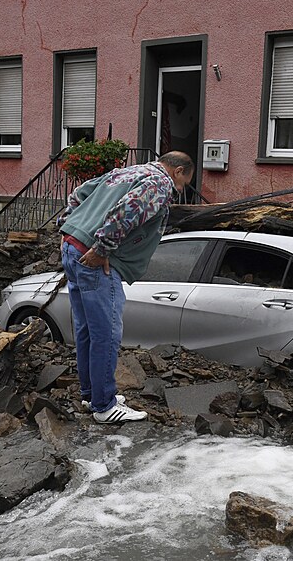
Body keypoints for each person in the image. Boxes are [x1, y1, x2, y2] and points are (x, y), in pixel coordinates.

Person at [58, 151, 194, 423]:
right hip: (94, 260)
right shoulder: (159, 182)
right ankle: (105, 407)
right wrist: (102, 249)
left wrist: (68, 229)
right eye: (183, 183)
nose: (179, 190)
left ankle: (91, 394)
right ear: (178, 171)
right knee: (106, 333)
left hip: (73, 250)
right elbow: (128, 211)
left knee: (87, 328)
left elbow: (78, 194)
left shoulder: (124, 172)